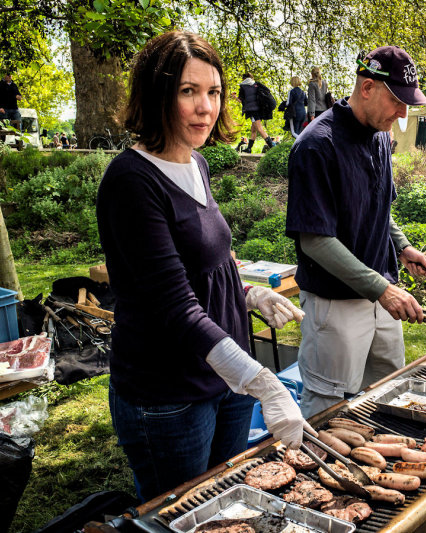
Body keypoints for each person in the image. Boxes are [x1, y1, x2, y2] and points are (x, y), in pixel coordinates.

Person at [96, 31, 311, 503]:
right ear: (157, 96)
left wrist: (247, 293)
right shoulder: (131, 181)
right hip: (168, 394)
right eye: (187, 91)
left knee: (226, 502)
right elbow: (174, 305)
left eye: (212, 92)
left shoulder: (196, 163)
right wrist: (264, 382)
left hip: (224, 379)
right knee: (178, 513)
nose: (205, 107)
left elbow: (211, 262)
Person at [287, 46, 426, 418]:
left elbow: (377, 208)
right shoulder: (315, 146)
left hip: (381, 295)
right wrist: (382, 289)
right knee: (329, 409)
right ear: (367, 87)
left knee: (390, 393)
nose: (403, 114)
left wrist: (402, 246)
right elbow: (315, 241)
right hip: (335, 303)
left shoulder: (381, 135)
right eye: (397, 101)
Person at [237, 73, 275, 152]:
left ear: (243, 78)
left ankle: (272, 147)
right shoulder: (256, 84)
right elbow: (267, 91)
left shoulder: (243, 86)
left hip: (252, 111)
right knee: (253, 129)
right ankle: (249, 148)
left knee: (259, 129)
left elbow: (241, 100)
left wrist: (235, 98)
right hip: (260, 109)